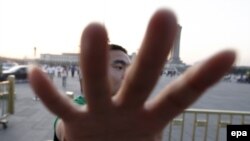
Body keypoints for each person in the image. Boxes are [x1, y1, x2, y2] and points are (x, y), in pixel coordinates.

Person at [28, 9, 236, 141]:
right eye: (119, 66)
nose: (128, 73)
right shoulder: (78, 109)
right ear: (95, 72)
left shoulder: (143, 116)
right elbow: (63, 126)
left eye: (130, 66)